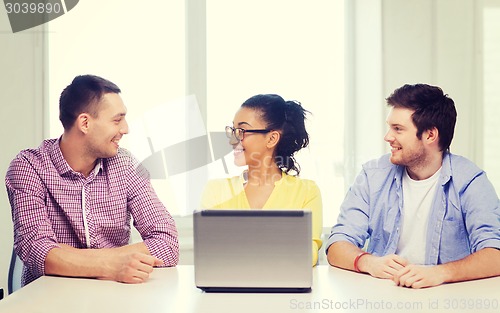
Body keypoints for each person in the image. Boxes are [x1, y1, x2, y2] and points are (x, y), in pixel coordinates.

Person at [5, 75, 179, 287]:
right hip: (51, 299)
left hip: (115, 296)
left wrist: (69, 256)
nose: (125, 129)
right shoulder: (29, 167)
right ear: (85, 123)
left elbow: (167, 242)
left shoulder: (126, 165)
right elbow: (36, 250)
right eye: (117, 120)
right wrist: (110, 266)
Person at [326, 83, 500, 288]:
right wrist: (367, 262)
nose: (388, 137)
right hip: (382, 296)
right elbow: (337, 245)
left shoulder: (471, 181)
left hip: (446, 298)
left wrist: (440, 273)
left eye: (398, 129)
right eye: (390, 127)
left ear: (430, 135)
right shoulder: (372, 176)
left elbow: (494, 255)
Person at [201, 94, 322, 266]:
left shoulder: (307, 192)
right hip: (228, 290)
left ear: (272, 138)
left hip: (284, 290)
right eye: (233, 131)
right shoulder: (216, 190)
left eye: (242, 131)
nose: (233, 140)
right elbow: (210, 253)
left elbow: (308, 254)